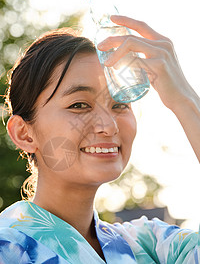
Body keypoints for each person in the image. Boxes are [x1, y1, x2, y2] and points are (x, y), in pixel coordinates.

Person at [0, 15, 199, 264]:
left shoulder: (150, 245)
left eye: (120, 103)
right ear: (23, 133)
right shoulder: (8, 249)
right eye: (79, 104)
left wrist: (185, 100)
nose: (109, 126)